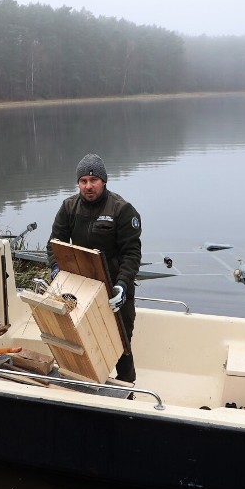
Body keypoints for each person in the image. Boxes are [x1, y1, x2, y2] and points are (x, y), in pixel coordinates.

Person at [47, 153, 142, 382]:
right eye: (83, 181)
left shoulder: (122, 210)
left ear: (104, 181)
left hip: (114, 289)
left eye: (93, 180)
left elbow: (132, 253)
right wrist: (55, 270)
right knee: (80, 337)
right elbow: (53, 245)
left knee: (120, 342)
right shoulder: (69, 207)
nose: (88, 186)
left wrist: (122, 285)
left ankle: (127, 388)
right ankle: (88, 380)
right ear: (78, 183)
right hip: (81, 287)